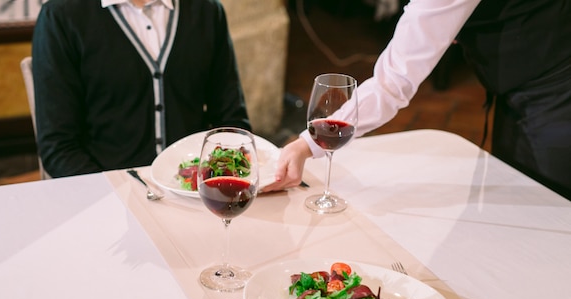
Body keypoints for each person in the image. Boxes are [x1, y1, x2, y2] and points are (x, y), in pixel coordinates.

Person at [262, 0, 571, 200]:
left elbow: (393, 83)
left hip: (556, 89)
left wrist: (308, 144)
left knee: (547, 212)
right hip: (524, 81)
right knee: (515, 199)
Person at [32, 0, 251, 177]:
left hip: (196, 196)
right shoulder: (61, 16)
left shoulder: (208, 11)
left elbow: (231, 122)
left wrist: (214, 180)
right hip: (107, 199)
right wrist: (113, 196)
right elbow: (58, 148)